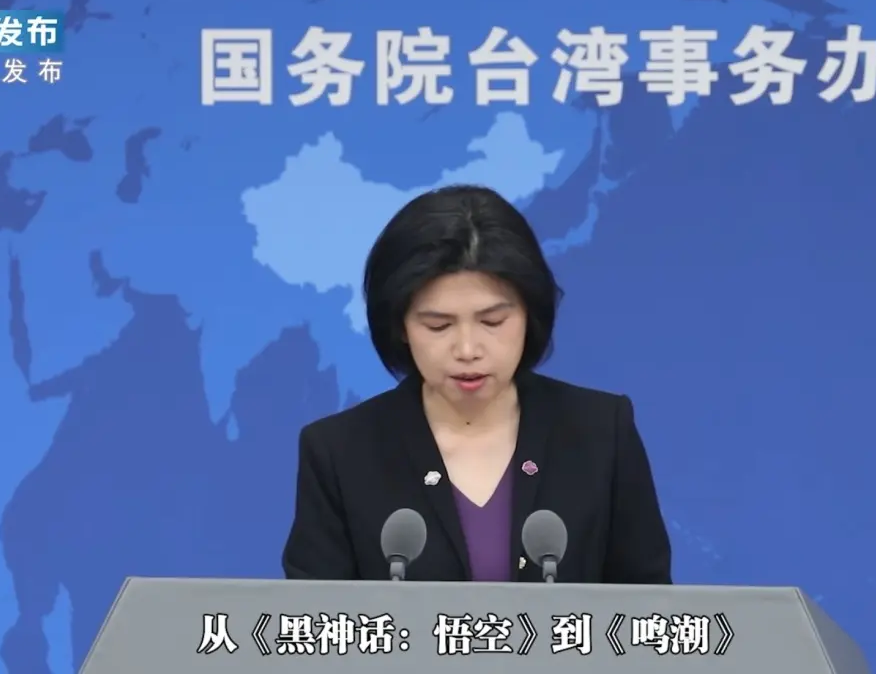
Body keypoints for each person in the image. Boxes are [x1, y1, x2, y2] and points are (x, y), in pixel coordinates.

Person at [282, 184, 672, 583]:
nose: (467, 350)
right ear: (399, 326)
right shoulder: (340, 453)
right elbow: (315, 617)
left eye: (493, 321)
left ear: (530, 314)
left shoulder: (601, 433)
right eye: (438, 325)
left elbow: (649, 606)